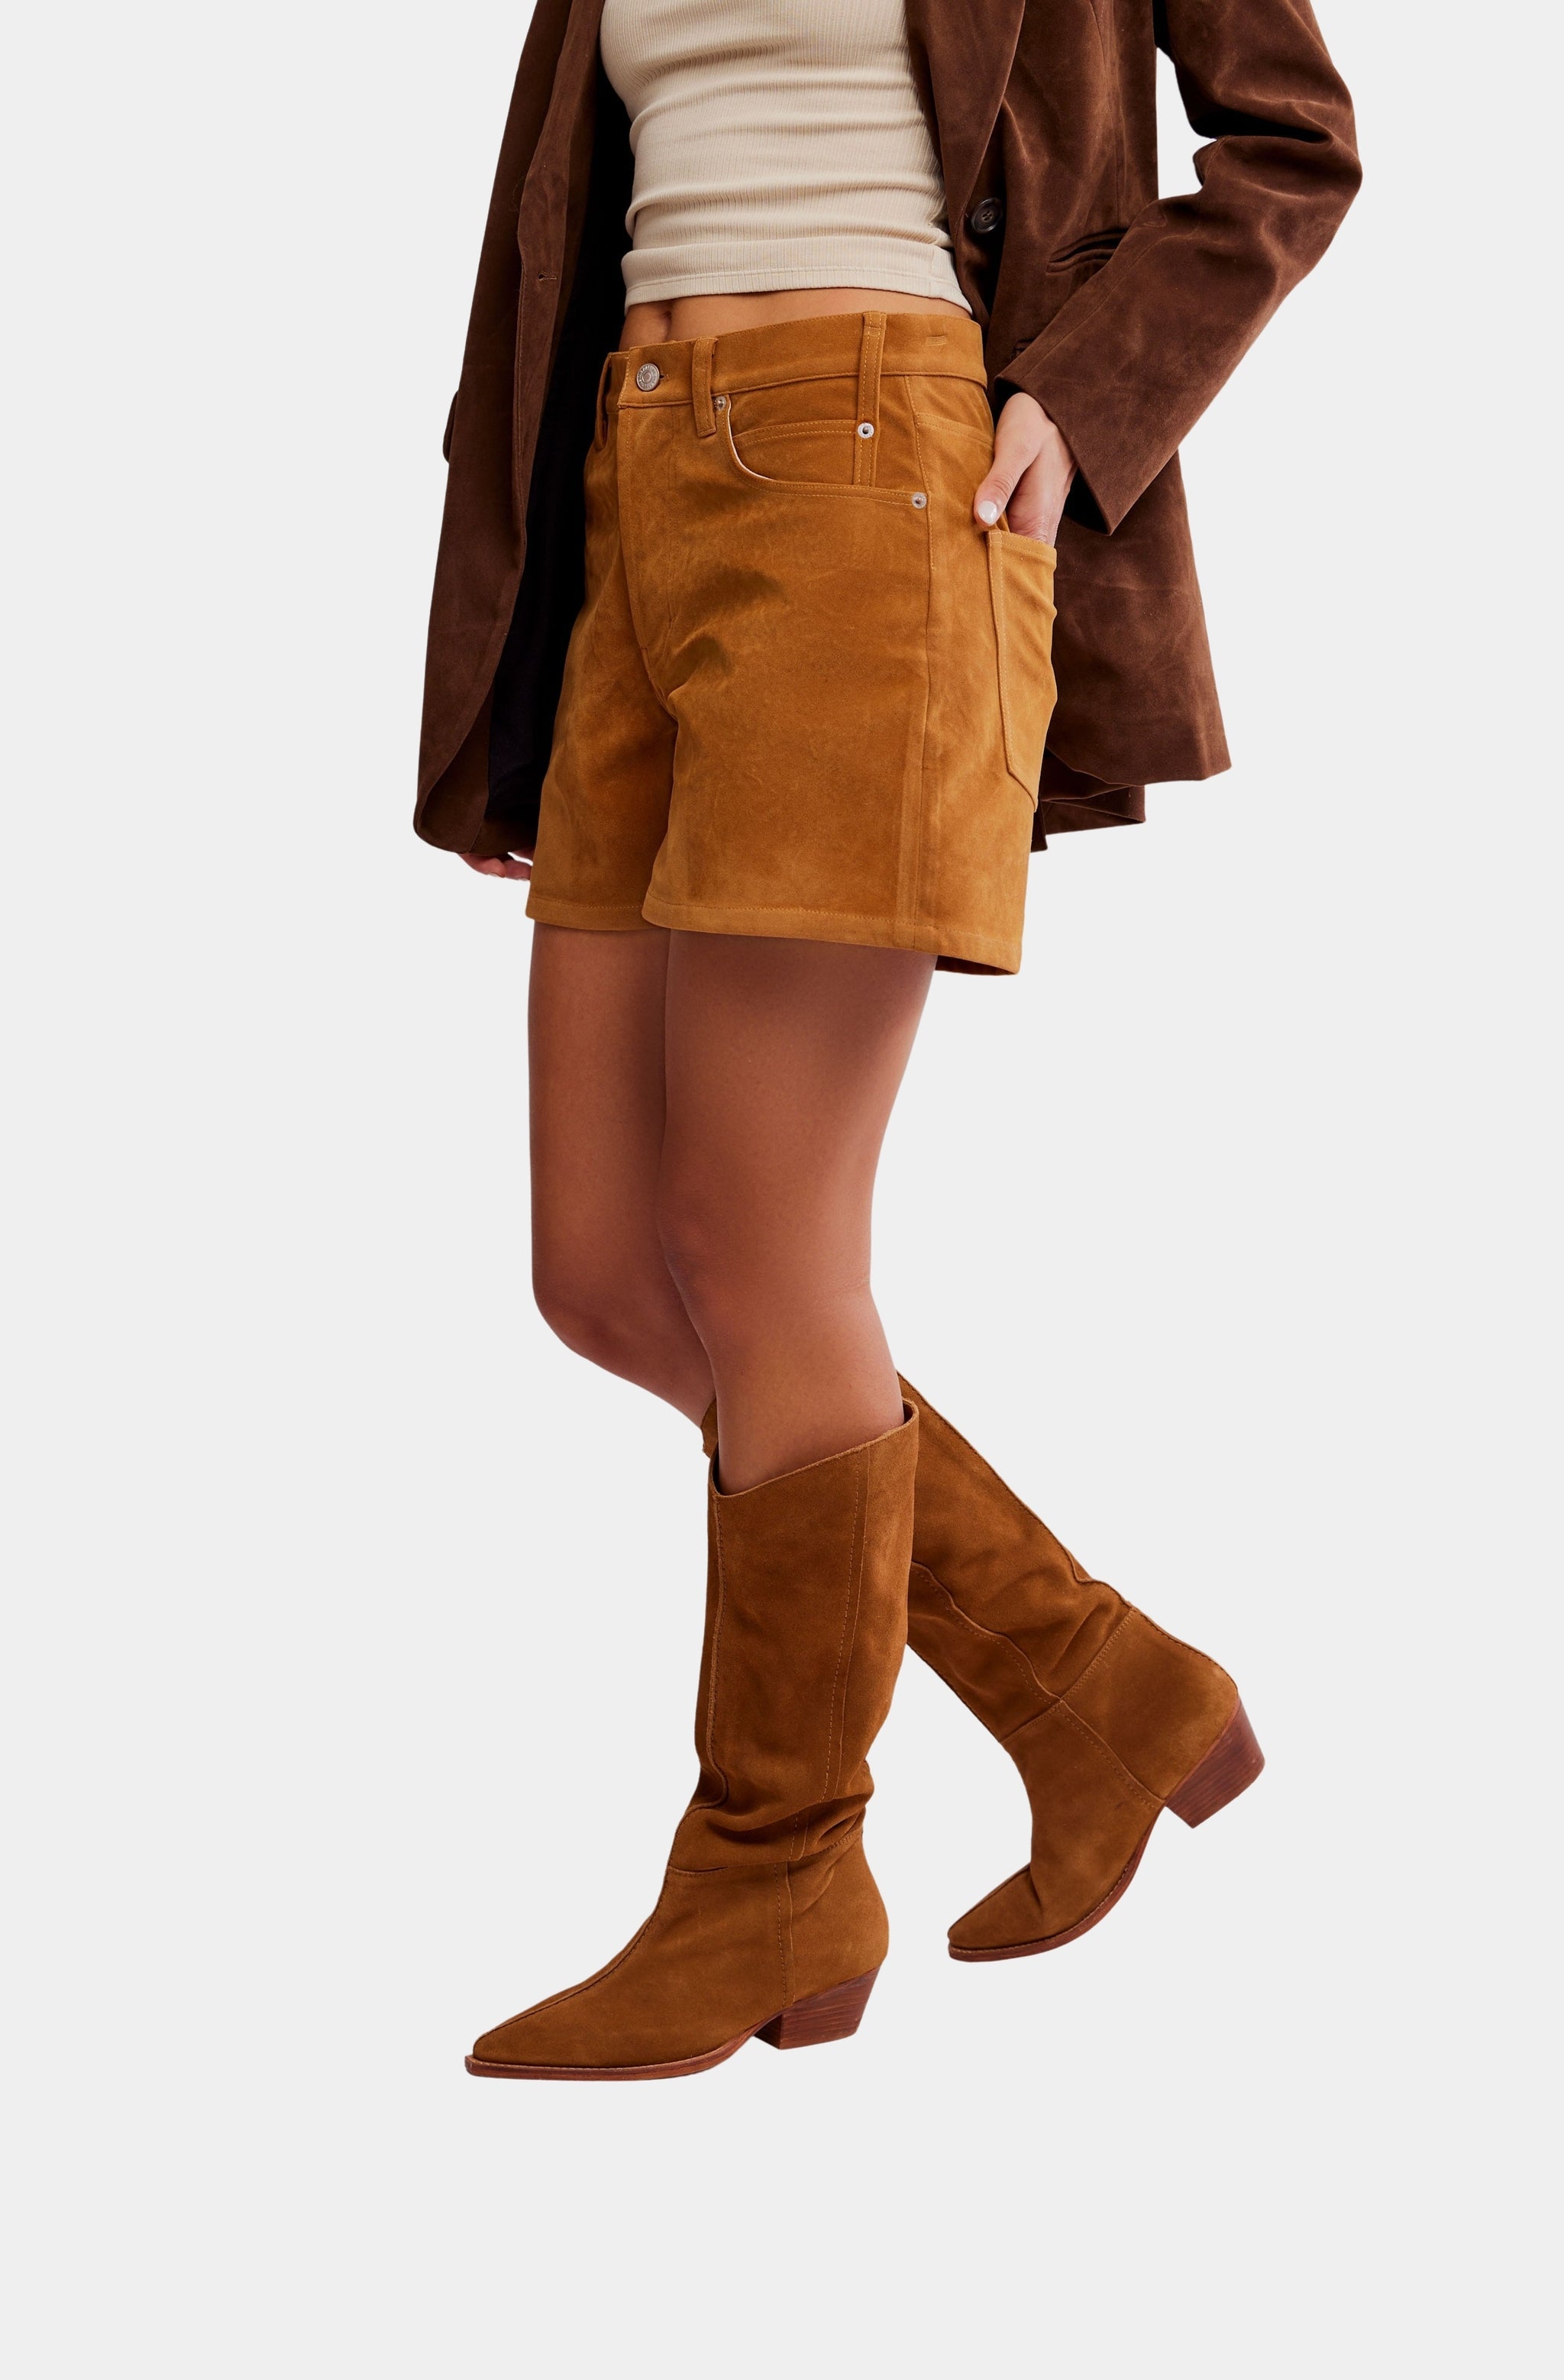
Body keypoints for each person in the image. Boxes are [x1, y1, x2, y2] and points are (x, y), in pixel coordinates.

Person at [416, 0, 1360, 2082]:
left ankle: (775, 1861)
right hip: (633, 486)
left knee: (759, 1251)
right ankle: (1101, 1689)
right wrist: (521, 640)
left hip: (878, 473)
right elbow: (565, 216)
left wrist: (1087, 398)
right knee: (602, 1272)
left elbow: (1296, 138)